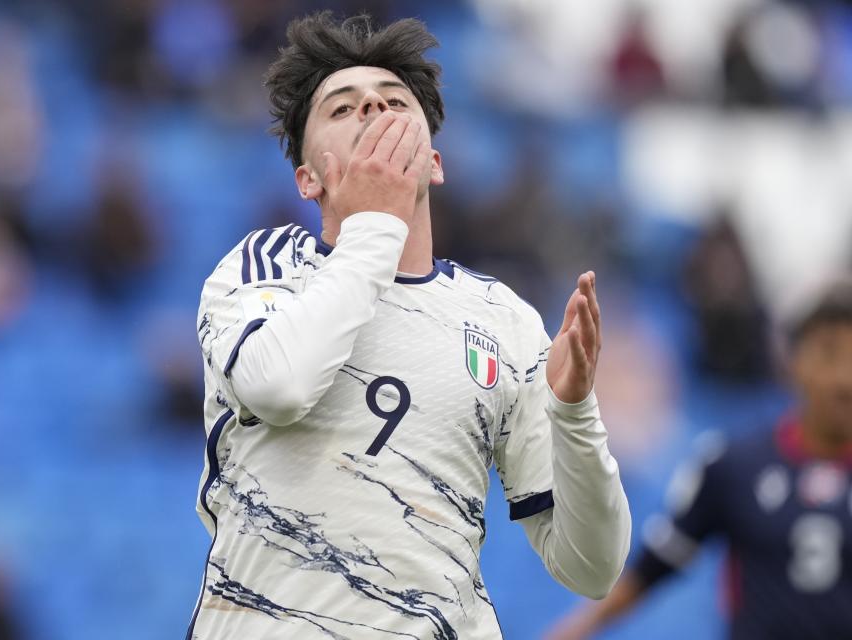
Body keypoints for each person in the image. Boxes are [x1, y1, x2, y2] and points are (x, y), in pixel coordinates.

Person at [187, 13, 631, 640]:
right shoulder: (265, 269)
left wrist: (575, 413)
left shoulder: (502, 319)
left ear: (435, 162)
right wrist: (377, 222)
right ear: (308, 179)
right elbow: (278, 387)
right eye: (342, 110)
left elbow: (592, 568)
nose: (372, 105)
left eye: (394, 101)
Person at [546, 276, 852, 640]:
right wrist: (576, 629)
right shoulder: (735, 465)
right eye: (829, 353)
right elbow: (656, 565)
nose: (843, 378)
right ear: (795, 361)